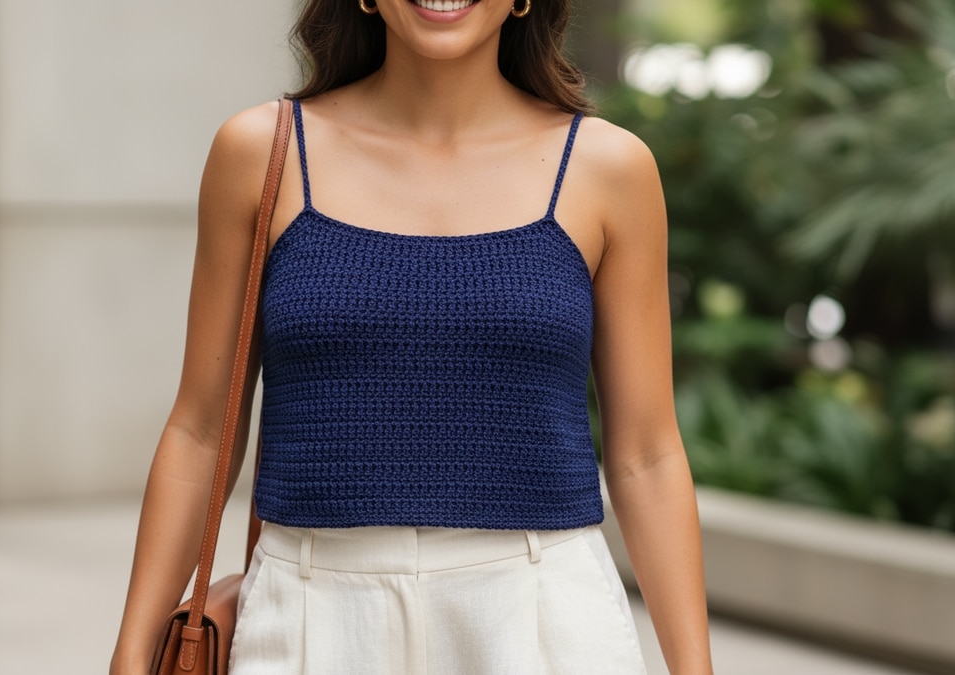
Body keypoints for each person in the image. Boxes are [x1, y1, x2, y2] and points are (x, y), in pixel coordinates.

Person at [112, 0, 714, 672]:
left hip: (541, 617)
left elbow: (648, 455)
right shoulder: (261, 155)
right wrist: (131, 652)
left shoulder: (609, 168)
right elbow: (200, 432)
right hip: (313, 616)